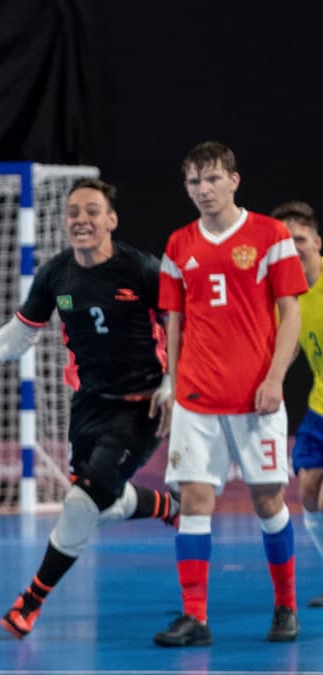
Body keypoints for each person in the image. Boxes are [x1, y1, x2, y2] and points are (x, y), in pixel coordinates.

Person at [0, 177, 179, 639]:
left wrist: (172, 383)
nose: (82, 220)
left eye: (92, 211)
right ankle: (164, 504)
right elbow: (21, 333)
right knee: (96, 502)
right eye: (74, 212)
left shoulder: (142, 269)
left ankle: (31, 600)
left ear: (111, 220)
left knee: (82, 498)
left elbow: (181, 324)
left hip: (140, 407)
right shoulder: (57, 275)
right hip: (88, 407)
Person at [154, 141, 308, 647]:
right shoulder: (179, 244)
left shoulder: (271, 235)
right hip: (197, 397)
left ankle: (285, 604)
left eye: (213, 178)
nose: (204, 189)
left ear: (234, 180)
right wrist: (173, 383)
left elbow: (291, 314)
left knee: (268, 501)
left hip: (255, 398)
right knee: (194, 500)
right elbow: (174, 323)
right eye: (194, 182)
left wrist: (275, 377)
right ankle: (195, 618)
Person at [271, 201, 323, 607]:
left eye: (300, 239)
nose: (294, 246)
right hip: (318, 408)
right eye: (286, 241)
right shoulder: (286, 297)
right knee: (308, 494)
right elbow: (280, 354)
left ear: (317, 243)